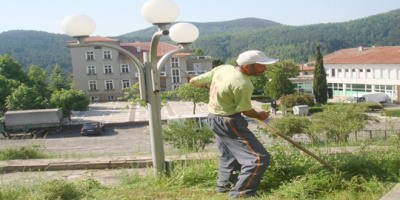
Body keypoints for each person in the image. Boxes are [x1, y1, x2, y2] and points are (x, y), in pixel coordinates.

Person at [190, 50, 278, 198]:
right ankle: (242, 193)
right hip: (229, 121)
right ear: (246, 67)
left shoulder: (223, 69)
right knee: (258, 158)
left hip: (213, 118)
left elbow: (193, 81)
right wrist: (260, 115)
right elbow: (246, 111)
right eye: (261, 66)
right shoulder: (243, 83)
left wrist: (210, 88)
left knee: (229, 155)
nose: (265, 69)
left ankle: (224, 186)